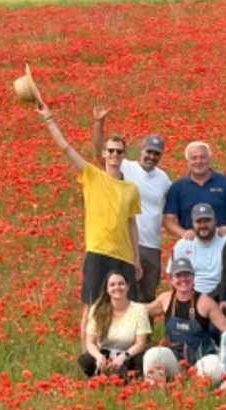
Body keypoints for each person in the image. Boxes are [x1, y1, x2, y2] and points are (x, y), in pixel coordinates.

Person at [34, 101, 141, 353]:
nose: (114, 155)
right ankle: (88, 357)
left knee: (128, 307)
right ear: (103, 153)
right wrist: (49, 120)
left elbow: (132, 224)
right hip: (98, 251)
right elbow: (66, 148)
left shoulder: (131, 189)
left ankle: (124, 356)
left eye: (119, 151)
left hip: (124, 255)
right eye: (111, 151)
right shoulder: (92, 175)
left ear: (124, 155)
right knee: (91, 307)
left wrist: (136, 258)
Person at [92, 106, 170, 303]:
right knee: (124, 293)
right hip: (126, 243)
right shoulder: (125, 167)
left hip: (152, 245)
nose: (152, 156)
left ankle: (146, 325)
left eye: (157, 153)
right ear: (141, 150)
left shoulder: (164, 179)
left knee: (148, 295)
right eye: (149, 151)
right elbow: (100, 152)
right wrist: (99, 123)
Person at [143, 258, 226, 384]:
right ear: (172, 279)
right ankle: (156, 389)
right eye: (178, 275)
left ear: (193, 277)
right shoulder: (166, 299)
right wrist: (119, 304)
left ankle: (197, 388)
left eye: (187, 275)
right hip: (176, 361)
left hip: (202, 359)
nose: (183, 279)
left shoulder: (205, 302)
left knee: (213, 369)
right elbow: (143, 311)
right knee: (153, 355)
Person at [163, 141, 226, 239]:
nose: (199, 161)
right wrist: (183, 233)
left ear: (209, 159)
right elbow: (168, 219)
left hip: (223, 240)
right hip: (192, 242)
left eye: (203, 157)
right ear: (187, 162)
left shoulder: (225, 182)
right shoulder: (177, 187)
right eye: (194, 158)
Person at [78, 271, 150, 378]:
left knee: (142, 360)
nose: (117, 287)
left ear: (127, 286)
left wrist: (123, 357)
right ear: (107, 289)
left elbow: (141, 343)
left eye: (121, 284)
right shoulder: (97, 309)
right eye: (112, 285)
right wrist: (98, 357)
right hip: (104, 354)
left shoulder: (139, 310)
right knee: (85, 360)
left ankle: (124, 375)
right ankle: (103, 373)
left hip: (128, 355)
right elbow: (90, 342)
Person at [170, 203, 226, 297]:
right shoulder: (182, 245)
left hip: (223, 294)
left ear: (215, 221)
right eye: (198, 221)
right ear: (192, 223)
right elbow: (173, 277)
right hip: (192, 295)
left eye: (207, 221)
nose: (203, 225)